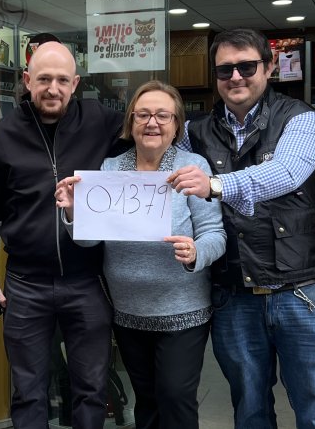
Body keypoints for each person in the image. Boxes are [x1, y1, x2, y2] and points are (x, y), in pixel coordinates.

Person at [168, 28, 315, 429]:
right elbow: (164, 171)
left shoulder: (303, 119)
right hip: (234, 293)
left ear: (269, 67)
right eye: (224, 69)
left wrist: (215, 185)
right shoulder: (194, 132)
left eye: (246, 67)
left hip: (302, 289)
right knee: (249, 413)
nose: (235, 77)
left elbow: (286, 173)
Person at [0, 41, 126, 429]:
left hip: (88, 280)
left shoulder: (102, 122)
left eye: (61, 80)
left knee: (91, 389)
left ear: (75, 83)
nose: (52, 88)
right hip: (26, 285)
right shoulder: (0, 138)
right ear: (27, 80)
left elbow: (151, 131)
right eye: (43, 79)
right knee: (28, 391)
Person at [55, 80, 226, 429]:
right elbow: (89, 242)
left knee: (175, 398)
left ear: (176, 125)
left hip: (183, 311)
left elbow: (215, 234)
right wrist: (74, 212)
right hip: (129, 312)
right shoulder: (110, 169)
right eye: (143, 114)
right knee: (145, 403)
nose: (152, 123)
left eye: (163, 115)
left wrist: (197, 251)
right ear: (130, 122)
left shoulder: (192, 168)